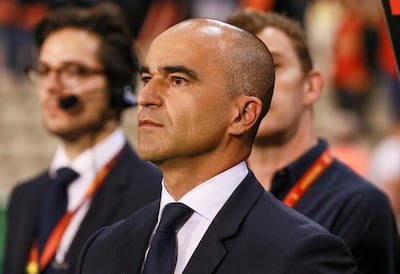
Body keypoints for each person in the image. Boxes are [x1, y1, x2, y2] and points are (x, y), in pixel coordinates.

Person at [76, 17, 357, 274]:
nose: (146, 96)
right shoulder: (101, 249)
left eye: (177, 80)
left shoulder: (301, 255)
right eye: (147, 79)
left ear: (242, 115)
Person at [226, 8, 400, 274]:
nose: (253, 85)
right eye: (237, 72)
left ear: (312, 85)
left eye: (272, 65)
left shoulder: (360, 206)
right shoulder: (213, 194)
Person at [3, 3, 162, 274]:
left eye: (73, 71)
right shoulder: (24, 196)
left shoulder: (156, 195)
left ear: (117, 84)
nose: (52, 85)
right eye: (44, 70)